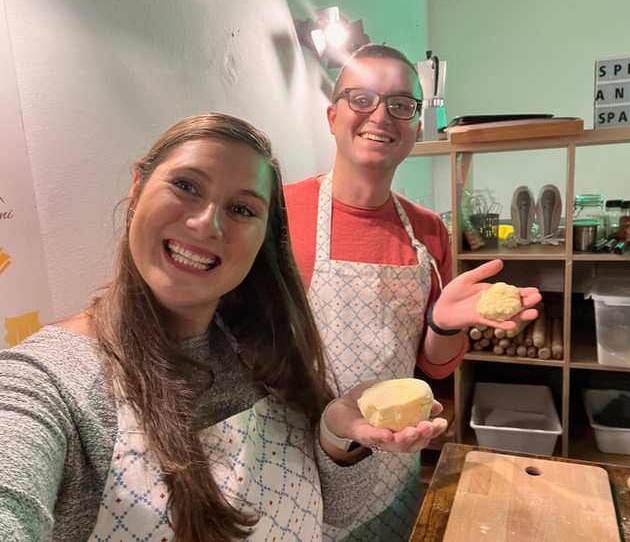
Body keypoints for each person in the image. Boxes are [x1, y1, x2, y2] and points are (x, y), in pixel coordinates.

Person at [0, 113, 448, 542]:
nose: (205, 224)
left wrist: (334, 433)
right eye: (186, 185)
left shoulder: (263, 343)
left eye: (241, 208)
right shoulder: (47, 383)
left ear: (264, 238)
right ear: (137, 191)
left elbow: (338, 509)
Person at [284, 45, 542, 540]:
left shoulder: (427, 230)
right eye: (362, 99)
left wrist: (443, 324)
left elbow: (434, 366)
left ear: (417, 127)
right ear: (333, 117)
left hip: (394, 460)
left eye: (401, 104)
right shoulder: (280, 214)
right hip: (298, 463)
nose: (381, 115)